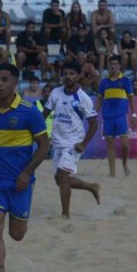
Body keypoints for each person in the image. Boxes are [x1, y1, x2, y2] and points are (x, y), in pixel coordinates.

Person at [0, 62, 49, 272]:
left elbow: (44, 145)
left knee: (17, 234)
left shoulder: (29, 112)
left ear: (16, 83)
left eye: (4, 79)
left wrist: (27, 172)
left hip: (21, 181)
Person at [41, 62, 100, 219]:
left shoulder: (83, 98)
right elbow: (44, 114)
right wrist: (39, 136)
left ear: (78, 76)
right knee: (60, 180)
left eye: (72, 74)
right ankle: (91, 187)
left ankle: (65, 215)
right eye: (65, 73)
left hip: (74, 143)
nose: (68, 77)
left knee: (62, 176)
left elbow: (94, 125)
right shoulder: (55, 92)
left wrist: (83, 144)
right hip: (57, 142)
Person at [96, 55, 137, 177]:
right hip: (108, 118)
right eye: (111, 64)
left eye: (115, 64)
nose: (113, 66)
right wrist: (93, 114)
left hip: (120, 117)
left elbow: (131, 99)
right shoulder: (104, 82)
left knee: (125, 144)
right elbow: (99, 101)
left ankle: (124, 163)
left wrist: (134, 114)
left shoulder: (125, 81)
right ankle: (112, 172)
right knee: (110, 145)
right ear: (109, 66)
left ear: (119, 66)